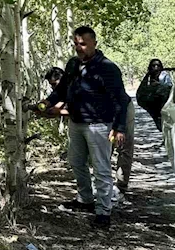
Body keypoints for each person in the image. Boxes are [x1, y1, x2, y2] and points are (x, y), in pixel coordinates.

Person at [37, 26, 130, 230]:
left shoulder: (107, 68)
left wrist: (119, 127)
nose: (79, 47)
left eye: (83, 44)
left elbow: (121, 100)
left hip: (99, 125)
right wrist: (46, 103)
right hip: (76, 123)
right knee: (76, 162)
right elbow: (61, 91)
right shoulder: (72, 65)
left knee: (101, 168)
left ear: (94, 44)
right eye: (76, 44)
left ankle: (104, 211)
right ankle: (85, 199)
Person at [41, 65, 134, 205]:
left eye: (55, 84)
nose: (53, 88)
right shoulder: (63, 90)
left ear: (63, 79)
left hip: (121, 109)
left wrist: (57, 112)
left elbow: (83, 110)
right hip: (102, 117)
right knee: (101, 154)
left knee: (123, 148)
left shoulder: (79, 84)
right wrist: (46, 108)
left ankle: (120, 188)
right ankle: (93, 195)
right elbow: (61, 105)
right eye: (51, 85)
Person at [136, 58, 173, 131]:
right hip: (152, 103)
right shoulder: (148, 76)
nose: (156, 67)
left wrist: (158, 85)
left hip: (163, 102)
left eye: (158, 65)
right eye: (154, 65)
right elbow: (141, 90)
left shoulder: (164, 75)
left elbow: (169, 87)